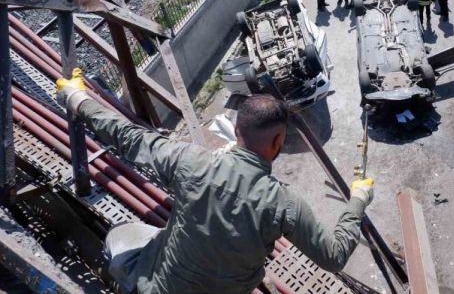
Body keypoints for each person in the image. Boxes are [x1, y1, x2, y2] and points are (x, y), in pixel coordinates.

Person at [55, 73, 375, 294]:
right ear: (279, 141)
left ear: (236, 131)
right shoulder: (284, 204)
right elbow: (333, 256)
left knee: (122, 235)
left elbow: (127, 136)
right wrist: (358, 199)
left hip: (155, 288)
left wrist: (75, 96)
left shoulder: (191, 162)